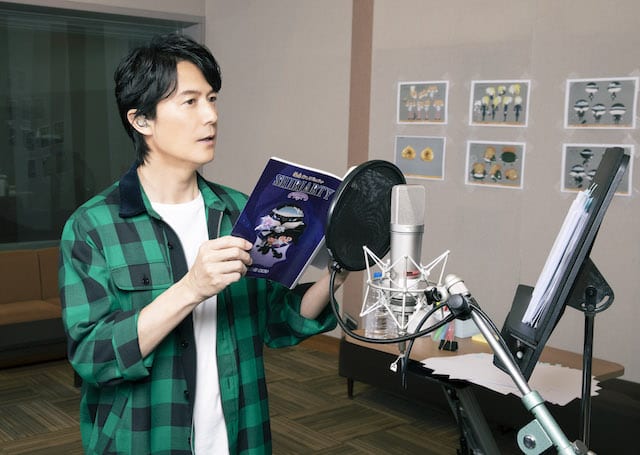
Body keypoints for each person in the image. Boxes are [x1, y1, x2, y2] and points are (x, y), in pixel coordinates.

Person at [59, 33, 347, 454]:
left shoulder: (240, 211)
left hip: (239, 435)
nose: (211, 115)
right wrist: (192, 288)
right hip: (143, 439)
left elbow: (277, 321)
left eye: (212, 99)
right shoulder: (93, 226)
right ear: (141, 121)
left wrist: (339, 266)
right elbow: (93, 356)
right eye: (190, 102)